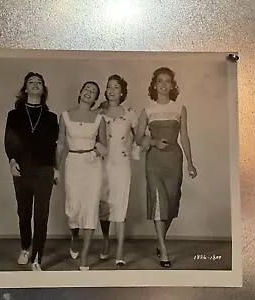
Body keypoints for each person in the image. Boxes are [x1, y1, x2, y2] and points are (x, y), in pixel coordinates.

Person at [135, 67, 197, 268]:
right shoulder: (147, 110)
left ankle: (160, 241)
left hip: (174, 160)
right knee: (158, 202)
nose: (163, 85)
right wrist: (153, 142)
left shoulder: (180, 108)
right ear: (154, 85)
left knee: (170, 202)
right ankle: (163, 249)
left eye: (167, 81)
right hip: (154, 161)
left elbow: (185, 136)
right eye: (160, 81)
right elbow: (137, 137)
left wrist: (190, 162)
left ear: (172, 85)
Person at [4, 72, 59, 271]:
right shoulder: (14, 115)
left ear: (43, 89)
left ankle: (37, 257)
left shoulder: (51, 117)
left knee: (41, 214)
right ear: (25, 89)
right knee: (24, 212)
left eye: (39, 83)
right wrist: (12, 161)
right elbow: (9, 140)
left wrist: (56, 168)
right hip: (22, 169)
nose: (35, 85)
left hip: (45, 170)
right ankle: (25, 247)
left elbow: (55, 146)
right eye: (31, 82)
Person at [55, 81, 107, 271]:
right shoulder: (65, 116)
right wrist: (56, 168)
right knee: (73, 209)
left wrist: (100, 149)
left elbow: (104, 146)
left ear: (95, 99)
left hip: (93, 166)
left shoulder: (99, 118)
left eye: (93, 92)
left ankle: (84, 257)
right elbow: (60, 144)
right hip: (73, 164)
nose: (89, 93)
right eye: (87, 89)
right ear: (80, 92)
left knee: (91, 208)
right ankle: (74, 237)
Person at [97, 74, 139, 267]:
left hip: (121, 164)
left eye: (115, 87)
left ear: (122, 92)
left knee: (120, 204)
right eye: (108, 87)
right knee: (103, 205)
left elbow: (140, 136)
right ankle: (106, 242)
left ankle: (120, 250)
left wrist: (132, 150)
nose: (111, 91)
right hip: (101, 164)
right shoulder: (99, 112)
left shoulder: (130, 113)